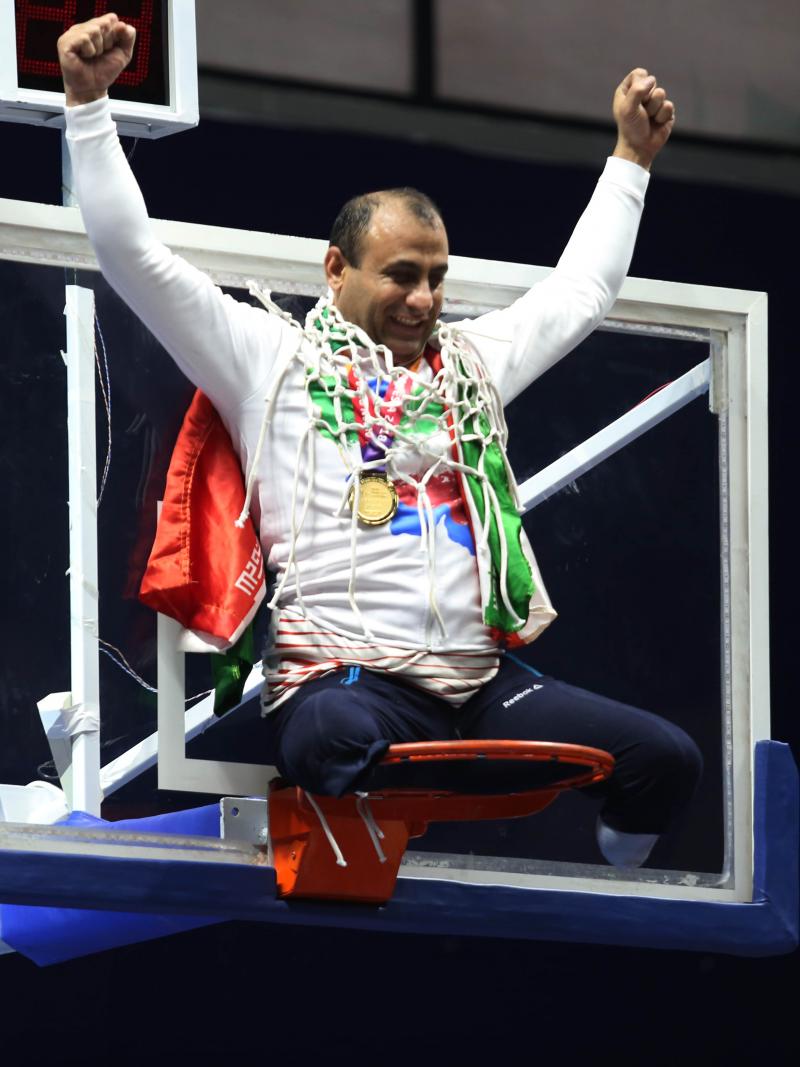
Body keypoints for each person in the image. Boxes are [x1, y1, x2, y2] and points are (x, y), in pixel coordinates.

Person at [58, 14, 701, 868]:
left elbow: (583, 293)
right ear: (336, 269)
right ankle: (369, 825)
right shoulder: (268, 360)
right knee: (329, 738)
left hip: (477, 687)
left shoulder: (471, 370)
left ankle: (616, 900)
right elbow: (133, 256)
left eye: (437, 276)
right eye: (401, 273)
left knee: (665, 759)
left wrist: (630, 161)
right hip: (346, 682)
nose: (425, 298)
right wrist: (89, 109)